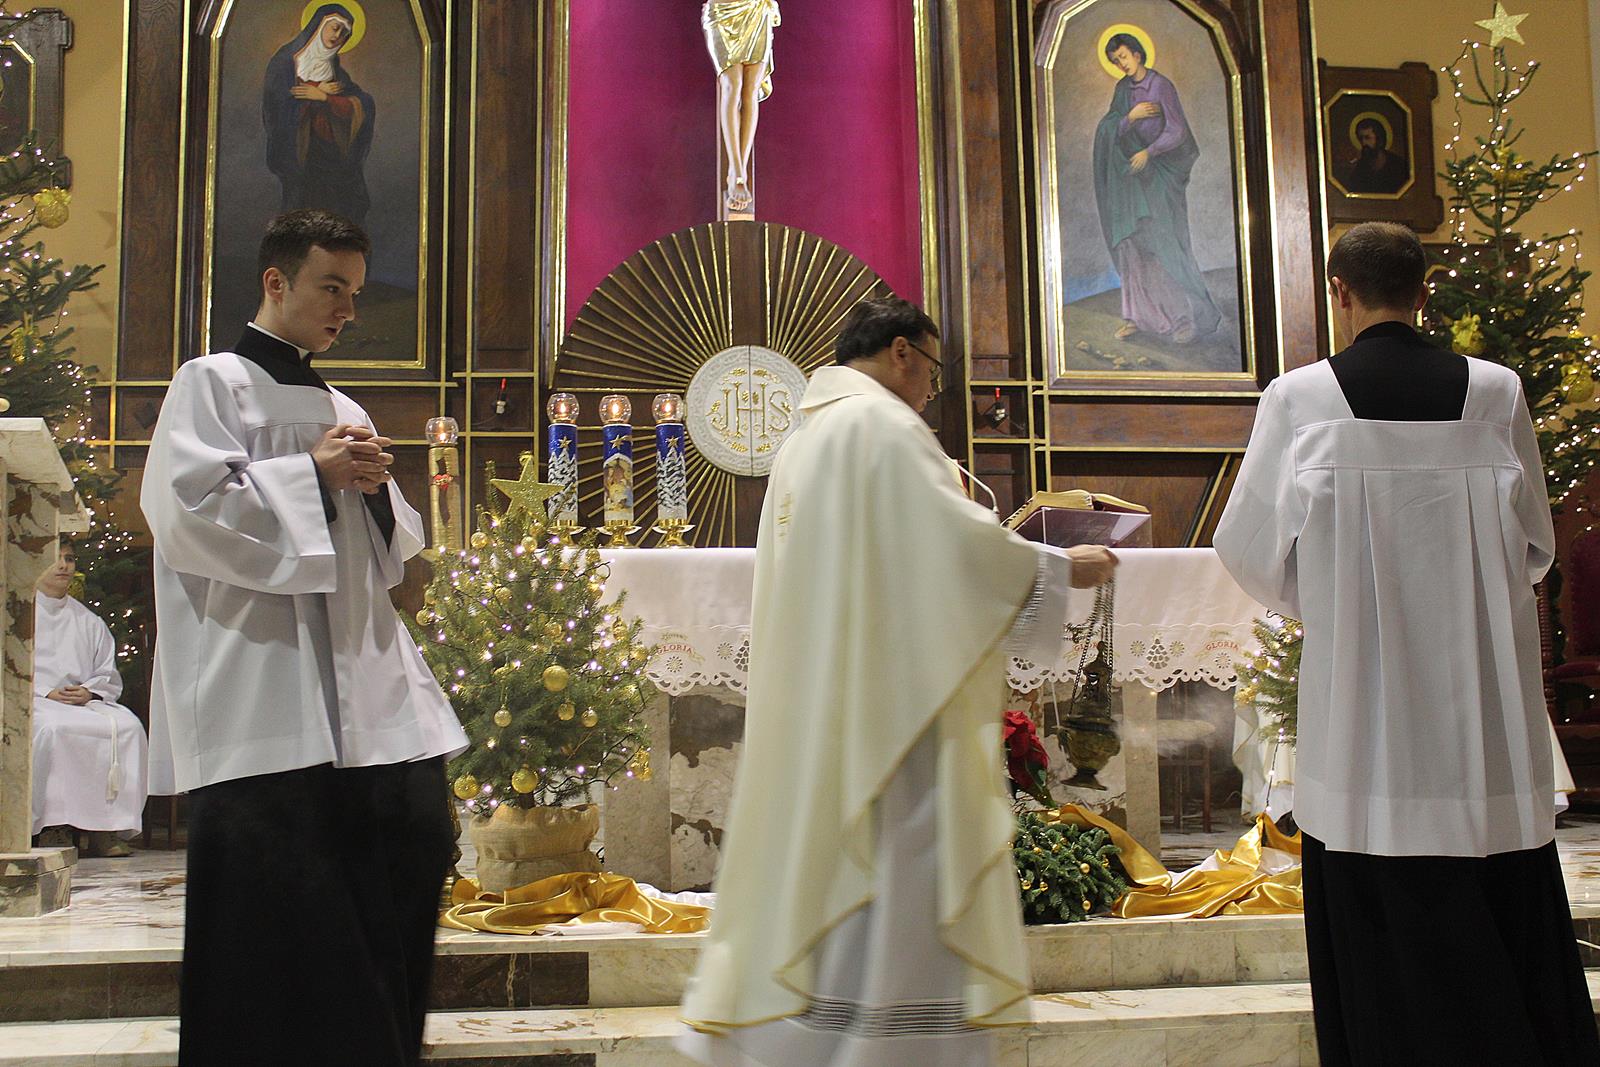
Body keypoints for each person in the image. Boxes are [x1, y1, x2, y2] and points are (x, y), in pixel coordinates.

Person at [677, 297, 1117, 1067]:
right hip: (892, 720)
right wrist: (1058, 567)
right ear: (903, 352)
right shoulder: (881, 425)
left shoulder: (806, 438)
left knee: (826, 882)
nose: (931, 391)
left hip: (826, 707)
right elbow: (951, 549)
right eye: (933, 372)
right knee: (898, 889)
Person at [1214, 222, 1600, 1066]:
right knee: (1500, 894)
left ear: (1339, 293)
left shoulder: (1299, 397)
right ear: (1426, 291)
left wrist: (1333, 604)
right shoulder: (1497, 390)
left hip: (1361, 712)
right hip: (1482, 717)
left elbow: (1245, 548)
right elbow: (1535, 547)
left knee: (1372, 895)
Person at [142, 209, 467, 1067]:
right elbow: (188, 516)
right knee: (282, 924)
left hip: (365, 694)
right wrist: (313, 475)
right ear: (275, 281)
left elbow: (389, 554)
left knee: (413, 849)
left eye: (354, 292)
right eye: (332, 287)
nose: (347, 309)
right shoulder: (210, 383)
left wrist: (373, 488)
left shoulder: (342, 403)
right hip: (265, 691)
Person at [1092, 32, 1221, 345]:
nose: (1121, 64)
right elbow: (1110, 128)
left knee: (1163, 244)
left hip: (1160, 176)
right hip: (1132, 181)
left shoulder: (1161, 86)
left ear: (1137, 54)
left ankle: (1183, 319)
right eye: (1115, 60)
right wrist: (1130, 117)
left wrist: (1149, 152)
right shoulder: (1122, 90)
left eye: (1123, 57)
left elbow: (1177, 130)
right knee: (1132, 245)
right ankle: (1139, 317)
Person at [30, 541, 147, 858]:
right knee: (53, 729)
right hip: (36, 699)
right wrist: (45, 690)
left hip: (83, 701)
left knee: (128, 728)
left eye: (69, 559)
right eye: (55, 558)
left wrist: (90, 691)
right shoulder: (19, 613)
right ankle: (53, 825)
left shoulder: (88, 620)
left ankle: (105, 828)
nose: (63, 566)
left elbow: (106, 671)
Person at [263, 4, 375, 222]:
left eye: (344, 33)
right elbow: (277, 108)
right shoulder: (284, 63)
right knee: (302, 212)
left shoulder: (334, 69)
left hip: (333, 158)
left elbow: (363, 103)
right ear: (319, 25)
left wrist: (325, 98)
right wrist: (313, 93)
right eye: (334, 28)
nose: (337, 36)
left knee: (340, 212)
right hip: (301, 157)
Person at [702, 0, 780, 213]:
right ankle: (735, 169)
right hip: (723, 10)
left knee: (750, 91)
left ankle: (740, 171)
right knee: (732, 85)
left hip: (755, 9)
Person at [1334, 117, 1409, 196]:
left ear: (1379, 138)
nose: (1364, 143)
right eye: (1360, 138)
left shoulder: (1398, 165)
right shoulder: (1360, 168)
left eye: (1367, 138)